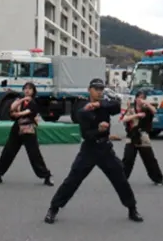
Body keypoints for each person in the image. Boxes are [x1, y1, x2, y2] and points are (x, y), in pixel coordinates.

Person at [44, 78, 144, 224]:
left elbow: (116, 106)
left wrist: (99, 104)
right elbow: (86, 134)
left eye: (101, 89)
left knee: (120, 178)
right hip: (89, 149)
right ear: (89, 90)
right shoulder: (83, 107)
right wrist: (98, 129)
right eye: (96, 89)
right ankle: (54, 208)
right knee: (73, 179)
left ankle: (132, 208)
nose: (99, 92)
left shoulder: (105, 104)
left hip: (105, 149)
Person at [0, 82, 54, 186]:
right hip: (17, 129)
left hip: (28, 130)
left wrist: (17, 113)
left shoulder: (33, 103)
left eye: (30, 89)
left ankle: (46, 176)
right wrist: (22, 100)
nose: (27, 90)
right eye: (25, 88)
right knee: (8, 151)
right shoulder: (20, 100)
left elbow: (27, 112)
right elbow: (12, 108)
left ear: (33, 91)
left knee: (34, 154)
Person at [120, 90, 163, 185]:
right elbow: (124, 118)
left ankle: (158, 179)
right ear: (135, 98)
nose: (141, 100)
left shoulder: (146, 109)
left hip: (143, 136)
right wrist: (136, 115)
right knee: (128, 158)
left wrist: (147, 104)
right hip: (131, 136)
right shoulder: (131, 108)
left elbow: (155, 111)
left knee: (149, 159)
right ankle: (122, 179)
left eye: (143, 98)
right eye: (139, 97)